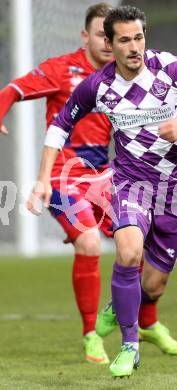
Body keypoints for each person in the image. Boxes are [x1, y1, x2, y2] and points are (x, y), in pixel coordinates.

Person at [26, 5, 177, 377]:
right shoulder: (98, 85)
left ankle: (118, 305)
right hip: (130, 183)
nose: (134, 46)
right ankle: (129, 345)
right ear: (109, 42)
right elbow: (59, 126)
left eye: (139, 37)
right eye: (125, 39)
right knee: (128, 251)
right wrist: (43, 178)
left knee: (153, 286)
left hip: (176, 191)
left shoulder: (171, 69)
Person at [0, 3, 114, 364]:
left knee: (141, 242)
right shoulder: (62, 69)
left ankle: (140, 320)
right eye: (101, 34)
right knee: (90, 242)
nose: (109, 42)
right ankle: (91, 334)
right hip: (62, 177)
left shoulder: (124, 77)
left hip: (104, 176)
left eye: (113, 36)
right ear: (85, 36)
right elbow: (14, 89)